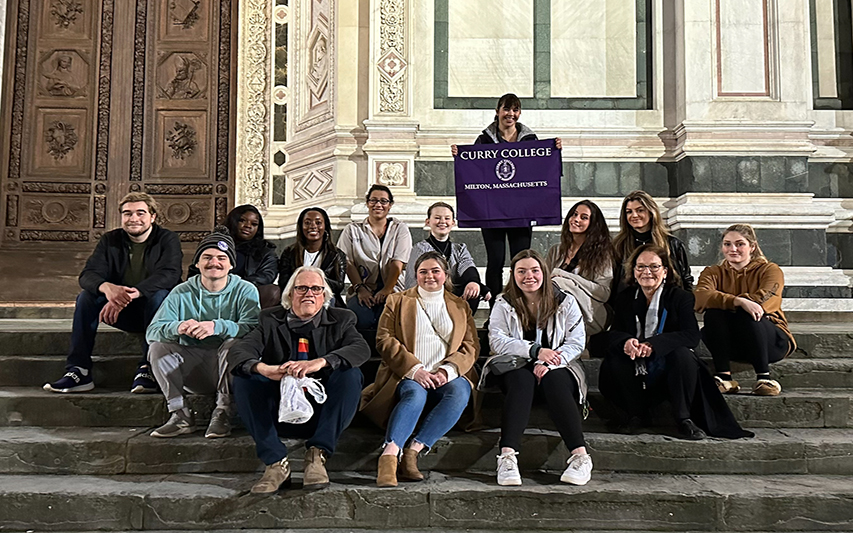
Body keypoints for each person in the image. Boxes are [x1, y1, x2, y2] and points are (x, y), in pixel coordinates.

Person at [227, 266, 369, 493]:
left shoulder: (342, 319)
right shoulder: (269, 319)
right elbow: (239, 351)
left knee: (351, 374)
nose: (309, 294)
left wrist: (321, 362)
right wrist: (263, 368)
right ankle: (275, 463)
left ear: (324, 296)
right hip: (281, 409)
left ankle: (317, 455)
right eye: (301, 288)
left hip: (322, 411)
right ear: (290, 294)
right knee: (245, 376)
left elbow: (360, 349)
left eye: (315, 289)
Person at [600, 244, 753, 440]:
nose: (647, 272)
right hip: (635, 365)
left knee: (682, 355)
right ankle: (634, 415)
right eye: (640, 267)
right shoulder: (625, 298)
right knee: (615, 357)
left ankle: (683, 418)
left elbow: (691, 335)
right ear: (634, 272)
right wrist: (627, 341)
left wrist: (654, 344)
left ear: (665, 271)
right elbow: (614, 333)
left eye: (654, 267)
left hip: (668, 369)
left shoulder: (680, 297)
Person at [43, 192, 182, 394]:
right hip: (119, 313)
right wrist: (107, 288)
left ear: (152, 216)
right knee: (86, 298)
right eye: (127, 213)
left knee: (159, 296)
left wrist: (130, 295)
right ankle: (79, 370)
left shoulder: (167, 239)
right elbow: (88, 275)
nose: (133, 218)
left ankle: (149, 368)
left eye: (140, 213)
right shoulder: (111, 240)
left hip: (157, 312)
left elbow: (170, 275)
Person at [362, 251, 479, 487]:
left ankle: (413, 451)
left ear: (446, 275)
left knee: (460, 392)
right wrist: (415, 370)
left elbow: (471, 345)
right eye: (423, 271)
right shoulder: (398, 301)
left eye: (435, 271)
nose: (430, 276)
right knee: (415, 394)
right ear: (415, 275)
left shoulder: (460, 306)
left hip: (446, 373)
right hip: (407, 372)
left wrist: (448, 370)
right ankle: (389, 455)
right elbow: (384, 339)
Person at [482, 249, 591, 487]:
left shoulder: (566, 301)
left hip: (560, 364)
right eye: (521, 271)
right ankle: (507, 456)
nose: (528, 276)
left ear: (544, 272)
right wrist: (535, 351)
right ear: (513, 275)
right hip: (516, 364)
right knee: (522, 381)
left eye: (534, 270)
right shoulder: (504, 302)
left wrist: (550, 363)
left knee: (556, 381)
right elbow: (497, 341)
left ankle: (580, 456)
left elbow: (576, 342)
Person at [146, 229, 260, 438]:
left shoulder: (245, 290)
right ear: (197, 263)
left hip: (230, 370)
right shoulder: (181, 292)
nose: (213, 262)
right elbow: (152, 331)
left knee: (234, 344)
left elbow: (252, 327)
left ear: (231, 264)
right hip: (193, 370)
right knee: (157, 346)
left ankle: (223, 412)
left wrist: (217, 326)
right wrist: (177, 327)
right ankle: (179, 414)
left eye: (221, 258)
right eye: (207, 257)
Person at [451, 93, 562, 308]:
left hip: (522, 212)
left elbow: (540, 170)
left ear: (519, 113)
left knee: (522, 262)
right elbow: (473, 170)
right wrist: (459, 155)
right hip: (490, 212)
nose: (510, 114)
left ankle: (521, 306)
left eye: (515, 110)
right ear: (497, 111)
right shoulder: (484, 139)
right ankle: (496, 311)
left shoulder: (531, 140)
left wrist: (555, 150)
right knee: (495, 262)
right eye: (506, 109)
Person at [694, 224, 796, 396]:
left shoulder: (770, 270)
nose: (733, 249)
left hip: (770, 341)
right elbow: (700, 297)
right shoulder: (712, 272)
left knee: (748, 313)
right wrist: (737, 301)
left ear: (752, 247)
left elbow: (767, 301)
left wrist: (737, 304)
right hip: (732, 344)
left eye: (739, 244)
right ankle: (724, 377)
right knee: (713, 313)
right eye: (727, 244)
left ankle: (764, 377)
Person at [338, 184, 412, 329]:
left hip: (393, 287)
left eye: (383, 201)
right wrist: (360, 288)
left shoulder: (400, 229)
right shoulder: (352, 230)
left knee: (390, 320)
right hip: (363, 287)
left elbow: (398, 263)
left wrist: (387, 289)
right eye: (373, 200)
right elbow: (347, 262)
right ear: (367, 203)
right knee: (360, 319)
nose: (378, 204)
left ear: (390, 205)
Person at [403, 202, 490, 314]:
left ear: (453, 223)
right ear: (428, 222)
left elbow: (468, 268)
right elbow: (432, 279)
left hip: (449, 294)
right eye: (437, 218)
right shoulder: (420, 248)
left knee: (472, 289)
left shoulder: (460, 249)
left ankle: (462, 327)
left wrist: (474, 283)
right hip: (425, 295)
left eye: (447, 218)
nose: (442, 222)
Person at [544, 200, 614, 338]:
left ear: (593, 224)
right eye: (574, 214)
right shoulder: (556, 251)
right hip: (555, 312)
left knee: (559, 281)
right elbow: (543, 283)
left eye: (584, 217)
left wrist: (567, 277)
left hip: (591, 314)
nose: (576, 219)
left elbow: (604, 293)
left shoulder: (602, 253)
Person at [190, 205, 280, 308]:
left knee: (272, 291)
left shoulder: (266, 251)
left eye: (254, 224)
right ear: (233, 221)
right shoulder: (213, 244)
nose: (248, 226)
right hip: (210, 290)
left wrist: (233, 286)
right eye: (242, 221)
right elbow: (194, 271)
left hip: (244, 294)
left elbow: (266, 276)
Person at [612, 190, 693, 292]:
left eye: (640, 210)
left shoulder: (673, 244)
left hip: (667, 303)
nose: (634, 215)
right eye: (629, 212)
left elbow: (686, 280)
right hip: (628, 304)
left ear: (651, 213)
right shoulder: (618, 246)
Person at [278, 206, 347, 307]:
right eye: (307, 223)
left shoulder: (337, 255)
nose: (313, 226)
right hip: (297, 296)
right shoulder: (290, 252)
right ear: (301, 227)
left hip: (325, 297)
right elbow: (284, 282)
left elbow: (339, 286)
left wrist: (315, 283)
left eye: (318, 223)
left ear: (325, 227)